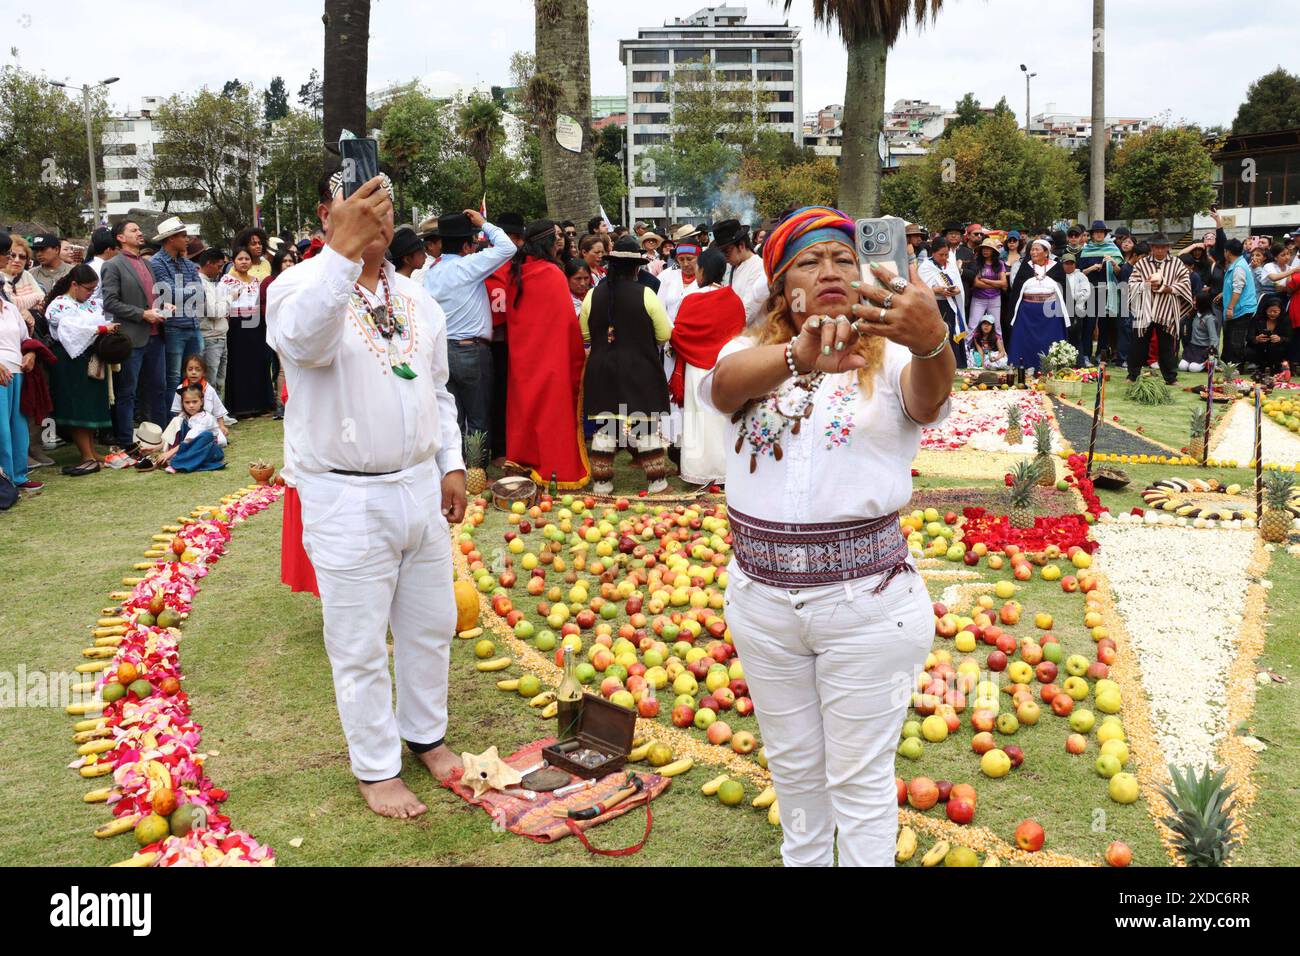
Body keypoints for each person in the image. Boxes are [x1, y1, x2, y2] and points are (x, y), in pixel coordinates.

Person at [701, 205, 952, 867]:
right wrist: (796, 356)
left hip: (866, 607)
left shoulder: (894, 350)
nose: (831, 269)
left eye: (843, 257)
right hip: (761, 605)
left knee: (860, 784)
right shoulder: (748, 351)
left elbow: (927, 400)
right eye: (809, 261)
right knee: (795, 777)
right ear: (783, 287)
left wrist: (932, 343)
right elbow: (723, 389)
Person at [267, 171, 466, 819]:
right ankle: (376, 769)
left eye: (385, 208)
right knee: (357, 644)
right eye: (361, 208)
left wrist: (452, 464)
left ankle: (426, 735)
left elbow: (436, 390)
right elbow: (304, 344)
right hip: (344, 496)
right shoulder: (297, 287)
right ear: (328, 214)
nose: (378, 219)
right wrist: (340, 258)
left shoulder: (416, 296)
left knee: (431, 626)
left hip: (418, 488)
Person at [581, 236, 672, 494]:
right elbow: (664, 334)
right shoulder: (646, 294)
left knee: (607, 424)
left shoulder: (591, 295)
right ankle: (657, 483)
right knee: (644, 424)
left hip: (602, 369)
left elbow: (585, 335)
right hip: (639, 368)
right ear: (636, 268)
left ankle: (602, 485)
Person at [502, 220, 589, 489]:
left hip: (523, 357)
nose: (562, 241)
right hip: (551, 357)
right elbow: (565, 322)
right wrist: (576, 352)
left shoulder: (516, 272)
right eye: (558, 236)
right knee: (551, 412)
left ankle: (523, 462)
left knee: (526, 410)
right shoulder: (551, 273)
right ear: (548, 242)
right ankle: (552, 465)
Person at [422, 210, 516, 450]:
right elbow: (508, 248)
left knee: (453, 418)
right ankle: (476, 476)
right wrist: (484, 223)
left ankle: (456, 470)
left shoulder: (430, 272)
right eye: (473, 243)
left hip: (443, 351)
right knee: (477, 418)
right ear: (466, 246)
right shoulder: (467, 265)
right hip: (471, 351)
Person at [667, 248, 743, 486]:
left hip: (696, 369)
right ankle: (727, 469)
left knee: (699, 420)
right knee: (723, 418)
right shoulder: (733, 298)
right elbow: (740, 332)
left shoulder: (692, 300)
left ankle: (700, 471)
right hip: (725, 367)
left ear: (703, 270)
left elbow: (679, 334)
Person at [43, 265, 116, 476]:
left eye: (94, 289)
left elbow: (102, 318)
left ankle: (92, 451)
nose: (91, 293)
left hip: (92, 358)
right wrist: (100, 329)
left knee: (91, 406)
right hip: (69, 360)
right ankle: (86, 455)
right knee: (78, 407)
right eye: (88, 288)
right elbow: (71, 330)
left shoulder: (92, 303)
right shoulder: (58, 305)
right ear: (74, 284)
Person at [101, 220, 168, 448]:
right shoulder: (113, 265)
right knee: (127, 392)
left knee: (159, 388)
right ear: (120, 237)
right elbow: (110, 302)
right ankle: (125, 440)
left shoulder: (147, 264)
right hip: (131, 338)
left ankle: (163, 436)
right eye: (134, 230)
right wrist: (143, 314)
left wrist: (163, 307)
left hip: (156, 335)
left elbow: (154, 296)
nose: (140, 233)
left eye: (140, 229)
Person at [148, 217, 206, 395]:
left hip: (192, 325)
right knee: (173, 377)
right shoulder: (157, 262)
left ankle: (193, 414)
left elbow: (201, 295)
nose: (187, 239)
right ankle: (173, 419)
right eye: (183, 235)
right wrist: (190, 292)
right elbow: (168, 293)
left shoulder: (187, 263)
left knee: (195, 375)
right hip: (173, 327)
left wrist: (184, 293)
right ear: (171, 238)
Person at [1127, 232, 1193, 384]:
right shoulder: (1142, 264)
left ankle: (1170, 378)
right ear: (1151, 247)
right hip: (1145, 309)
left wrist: (1167, 288)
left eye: (1163, 247)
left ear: (1168, 247)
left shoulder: (1177, 264)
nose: (1160, 250)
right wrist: (1147, 285)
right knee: (1139, 343)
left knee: (1167, 345)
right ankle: (1132, 375)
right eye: (1156, 247)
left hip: (1167, 310)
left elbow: (1185, 283)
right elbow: (1131, 284)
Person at [221, 247, 276, 418]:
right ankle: (240, 407)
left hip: (255, 324)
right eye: (240, 259)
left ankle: (259, 405)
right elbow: (222, 304)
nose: (244, 262)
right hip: (236, 327)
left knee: (257, 363)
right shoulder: (226, 280)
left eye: (247, 259)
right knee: (238, 364)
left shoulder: (254, 281)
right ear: (233, 261)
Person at [0, 276, 41, 493]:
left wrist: (32, 354)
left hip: (17, 370)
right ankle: (4, 479)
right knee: (2, 429)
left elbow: (25, 339)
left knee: (18, 425)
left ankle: (18, 475)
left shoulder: (9, 307)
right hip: (1, 373)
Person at [1008, 238, 1070, 371]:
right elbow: (1017, 290)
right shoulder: (1026, 266)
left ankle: (1052, 365)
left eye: (1037, 249)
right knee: (1026, 340)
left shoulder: (1057, 267)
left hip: (1050, 312)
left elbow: (1064, 289)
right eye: (1032, 249)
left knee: (1050, 339)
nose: (1033, 252)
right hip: (1028, 311)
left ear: (1046, 252)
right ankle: (1024, 365)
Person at [156, 383, 226, 474]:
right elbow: (171, 437)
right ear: (182, 403)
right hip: (189, 448)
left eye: (194, 402)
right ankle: (181, 459)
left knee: (206, 435)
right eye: (187, 402)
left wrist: (170, 453)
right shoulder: (183, 416)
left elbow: (189, 440)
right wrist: (155, 448)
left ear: (201, 401)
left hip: (210, 450)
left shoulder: (206, 418)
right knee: (177, 421)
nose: (191, 405)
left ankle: (177, 464)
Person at [712, 220, 768, 329]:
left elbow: (747, 311)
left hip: (752, 336)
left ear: (741, 245)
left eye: (727, 251)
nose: (724, 256)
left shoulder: (759, 268)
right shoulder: (730, 267)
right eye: (721, 252)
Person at [919, 242, 965, 367]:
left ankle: (955, 363)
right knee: (938, 334)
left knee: (951, 333)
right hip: (935, 306)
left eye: (946, 255)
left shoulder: (950, 266)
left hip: (950, 306)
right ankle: (938, 365)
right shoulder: (925, 267)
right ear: (933, 253)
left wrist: (956, 290)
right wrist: (935, 290)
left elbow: (958, 284)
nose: (944, 258)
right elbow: (921, 289)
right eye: (941, 255)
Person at [195, 248, 231, 403]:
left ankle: (218, 413)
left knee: (219, 379)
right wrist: (230, 298)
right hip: (210, 337)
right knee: (211, 379)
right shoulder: (200, 283)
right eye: (219, 266)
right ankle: (211, 413)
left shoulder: (210, 283)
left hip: (219, 335)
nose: (220, 270)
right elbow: (214, 311)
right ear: (209, 264)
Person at [1221, 239, 1259, 366]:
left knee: (1235, 339)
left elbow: (1238, 289)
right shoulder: (1240, 263)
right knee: (1229, 338)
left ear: (1228, 252)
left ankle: (1236, 366)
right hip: (1238, 307)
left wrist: (1230, 308)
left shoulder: (1238, 267)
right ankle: (1227, 364)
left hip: (1241, 309)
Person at [169, 353, 229, 431]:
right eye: (190, 369)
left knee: (221, 440)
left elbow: (218, 411)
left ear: (203, 372)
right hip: (187, 426)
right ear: (185, 372)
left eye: (198, 369)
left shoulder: (209, 389)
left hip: (206, 426)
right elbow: (177, 412)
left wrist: (222, 426)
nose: (193, 372)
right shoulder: (180, 388)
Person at [968, 237, 1007, 341]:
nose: (985, 250)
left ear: (994, 251)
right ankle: (966, 351)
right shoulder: (977, 262)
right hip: (978, 299)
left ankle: (1001, 353)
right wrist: (996, 284)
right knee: (973, 325)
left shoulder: (999, 263)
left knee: (997, 326)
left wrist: (985, 280)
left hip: (995, 299)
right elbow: (976, 283)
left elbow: (1004, 283)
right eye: (984, 248)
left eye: (988, 248)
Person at [656, 237, 700, 322]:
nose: (685, 264)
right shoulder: (666, 276)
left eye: (690, 259)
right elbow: (659, 307)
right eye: (681, 259)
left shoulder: (707, 277)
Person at [1249, 295, 1290, 376]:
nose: (1272, 314)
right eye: (1270, 311)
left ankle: (1277, 368)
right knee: (1249, 351)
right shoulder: (1257, 319)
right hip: (1259, 347)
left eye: (1276, 312)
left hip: (1277, 349)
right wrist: (1256, 338)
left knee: (1278, 349)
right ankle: (1258, 366)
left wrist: (1280, 339)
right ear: (1265, 310)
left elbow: (1290, 338)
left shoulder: (1285, 320)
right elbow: (1249, 336)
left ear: (1281, 311)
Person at [1180, 290, 1219, 374]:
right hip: (1193, 347)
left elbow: (1214, 338)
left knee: (1193, 368)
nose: (1193, 302)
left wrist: (1211, 354)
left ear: (1202, 303)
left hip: (1204, 349)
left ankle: (1210, 363)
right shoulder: (1194, 314)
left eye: (1195, 301)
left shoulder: (1209, 318)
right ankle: (1204, 364)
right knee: (1182, 366)